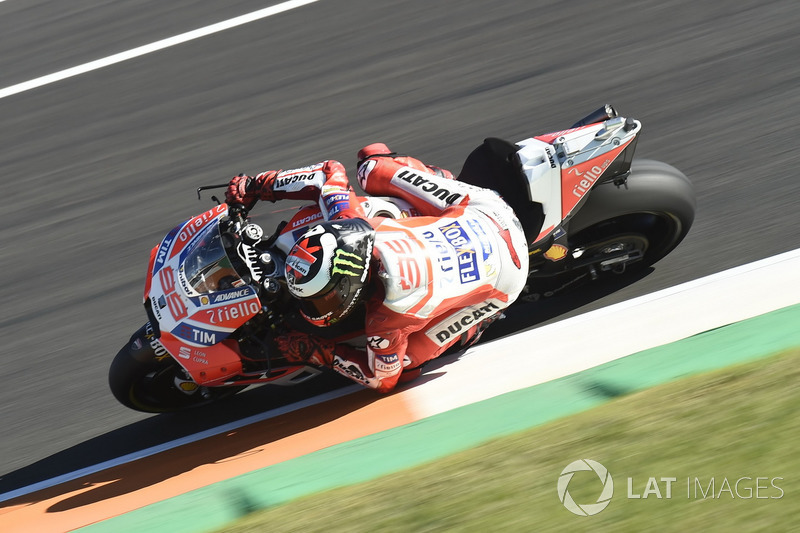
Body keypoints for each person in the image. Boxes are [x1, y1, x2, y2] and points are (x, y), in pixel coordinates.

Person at [225, 143, 529, 393]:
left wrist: (321, 352)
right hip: (484, 211)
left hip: (507, 274)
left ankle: (475, 325)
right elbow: (328, 174)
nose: (314, 307)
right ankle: (433, 179)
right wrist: (256, 186)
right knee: (371, 165)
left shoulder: (386, 318)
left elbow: (382, 378)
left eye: (323, 298)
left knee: (407, 364)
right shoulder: (349, 224)